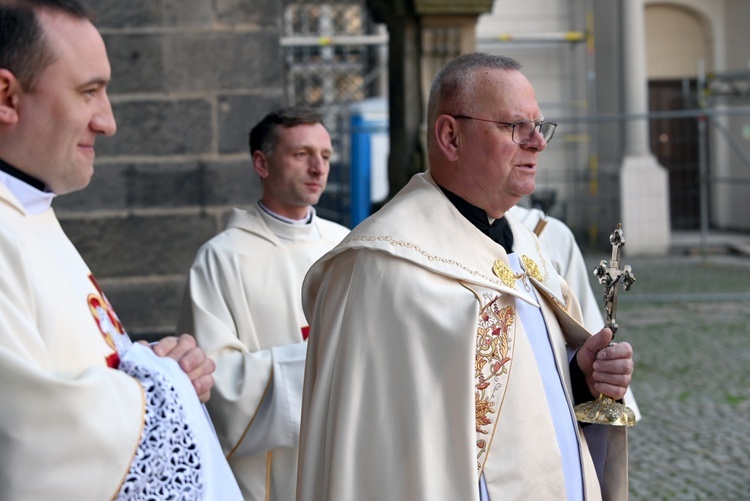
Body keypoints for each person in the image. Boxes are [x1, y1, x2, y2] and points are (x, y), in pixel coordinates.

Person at [297, 53, 634, 500]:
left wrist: (579, 378)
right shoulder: (380, 267)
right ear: (450, 136)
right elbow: (373, 457)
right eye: (516, 126)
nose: (537, 142)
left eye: (540, 125)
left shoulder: (524, 246)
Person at [0, 1, 241, 499]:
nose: (107, 122)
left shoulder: (28, 213)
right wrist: (163, 386)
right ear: (6, 96)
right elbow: (30, 439)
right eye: (89, 92)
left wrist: (148, 363)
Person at [176, 107, 350, 500]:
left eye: (324, 155)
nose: (317, 168)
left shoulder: (346, 246)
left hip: (340, 459)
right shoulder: (221, 258)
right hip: (267, 480)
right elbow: (215, 382)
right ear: (261, 162)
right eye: (301, 154)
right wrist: (320, 364)